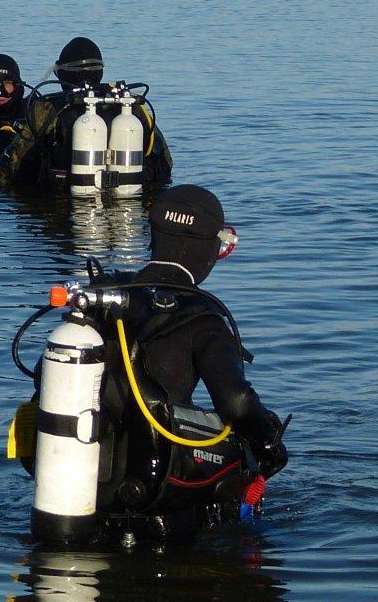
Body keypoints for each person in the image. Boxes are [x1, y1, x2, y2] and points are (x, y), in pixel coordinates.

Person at [97, 185, 287, 532]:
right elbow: (237, 402)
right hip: (156, 498)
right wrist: (269, 445)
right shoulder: (202, 317)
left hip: (84, 483)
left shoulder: (104, 301)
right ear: (208, 250)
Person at [0, 37, 172, 191]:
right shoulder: (131, 106)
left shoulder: (47, 109)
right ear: (100, 71)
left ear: (62, 73)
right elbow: (165, 162)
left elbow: (8, 170)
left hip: (63, 206)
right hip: (127, 202)